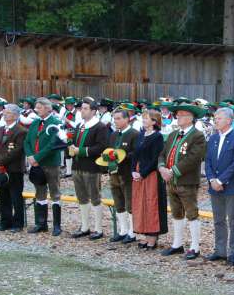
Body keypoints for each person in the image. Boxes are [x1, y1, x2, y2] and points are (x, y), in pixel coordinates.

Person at [158, 102, 207, 259]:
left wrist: (172, 171)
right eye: (177, 115)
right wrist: (161, 168)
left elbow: (194, 158)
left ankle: (195, 247)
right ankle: (177, 244)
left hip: (187, 181)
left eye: (181, 115)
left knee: (192, 213)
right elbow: (162, 153)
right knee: (176, 213)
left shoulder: (197, 135)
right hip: (171, 181)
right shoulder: (173, 134)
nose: (177, 117)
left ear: (190, 118)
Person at [204, 107, 234, 266]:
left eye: (218, 118)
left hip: (231, 186)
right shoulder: (213, 138)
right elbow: (207, 161)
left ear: (229, 120)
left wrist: (221, 181)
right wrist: (212, 179)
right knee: (218, 219)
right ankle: (220, 250)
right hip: (214, 185)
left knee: (233, 221)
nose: (215, 121)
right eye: (215, 119)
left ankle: (233, 253)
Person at [68, 97, 109, 240]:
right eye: (81, 108)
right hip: (77, 166)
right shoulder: (80, 125)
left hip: (92, 167)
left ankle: (98, 229)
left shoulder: (100, 126)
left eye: (85, 108)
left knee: (95, 197)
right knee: (82, 197)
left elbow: (101, 147)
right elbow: (74, 142)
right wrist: (71, 147)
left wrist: (81, 151)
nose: (82, 111)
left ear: (93, 111)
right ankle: (85, 227)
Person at [24, 97, 64, 236]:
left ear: (48, 108)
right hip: (36, 164)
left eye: (39, 107)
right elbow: (27, 141)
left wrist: (37, 157)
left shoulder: (56, 123)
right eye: (36, 107)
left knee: (55, 193)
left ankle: (57, 226)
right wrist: (30, 156)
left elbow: (54, 144)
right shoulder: (35, 123)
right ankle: (41, 224)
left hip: (51, 163)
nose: (36, 109)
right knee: (39, 192)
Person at [132, 110, 168, 249]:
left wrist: (143, 173)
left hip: (150, 174)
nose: (143, 120)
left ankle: (153, 236)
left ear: (154, 121)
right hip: (138, 172)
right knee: (141, 204)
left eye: (146, 118)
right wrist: (133, 171)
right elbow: (135, 154)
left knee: (151, 204)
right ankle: (145, 234)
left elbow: (155, 159)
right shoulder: (141, 135)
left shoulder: (157, 137)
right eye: (143, 118)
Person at [0, 104, 27, 232]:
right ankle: (5, 221)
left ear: (16, 115)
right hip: (0, 169)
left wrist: (0, 161)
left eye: (8, 113)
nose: (5, 114)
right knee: (2, 196)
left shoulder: (21, 131)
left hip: (14, 169)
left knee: (16, 197)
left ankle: (18, 224)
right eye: (5, 112)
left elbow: (17, 151)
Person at [108, 109, 140, 243]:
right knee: (118, 202)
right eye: (114, 118)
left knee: (129, 203)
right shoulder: (114, 134)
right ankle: (123, 230)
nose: (116, 121)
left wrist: (123, 155)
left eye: (119, 118)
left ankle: (132, 232)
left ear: (127, 119)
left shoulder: (134, 134)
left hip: (127, 174)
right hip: (114, 173)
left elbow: (137, 154)